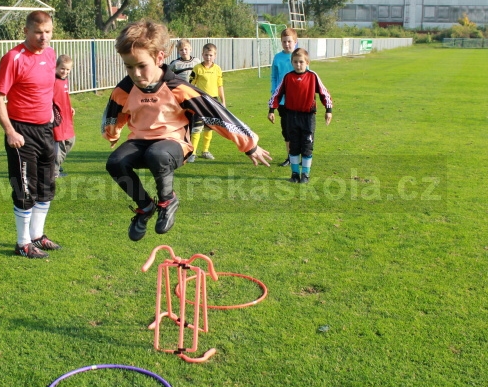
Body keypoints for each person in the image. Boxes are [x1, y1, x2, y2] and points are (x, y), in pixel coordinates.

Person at [103, 20, 272, 241]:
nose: (135, 73)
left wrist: (249, 145)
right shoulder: (124, 89)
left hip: (173, 144)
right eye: (129, 66)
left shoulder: (178, 88)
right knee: (114, 162)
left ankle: (167, 200)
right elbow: (114, 113)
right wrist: (113, 133)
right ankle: (145, 207)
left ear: (159, 57)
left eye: (141, 65)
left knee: (158, 154)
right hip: (139, 141)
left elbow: (216, 114)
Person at [0, 10, 62, 259]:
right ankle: (22, 243)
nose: (44, 37)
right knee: (25, 188)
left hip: (45, 130)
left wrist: (52, 110)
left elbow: (46, 87)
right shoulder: (13, 58)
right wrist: (10, 131)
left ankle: (37, 236)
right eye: (39, 32)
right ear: (26, 31)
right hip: (21, 132)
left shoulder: (51, 54)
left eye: (48, 32)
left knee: (46, 184)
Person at [267, 48, 333, 185]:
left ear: (307, 62)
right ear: (292, 62)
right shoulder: (287, 77)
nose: (298, 65)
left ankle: (306, 174)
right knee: (294, 146)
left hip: (308, 117)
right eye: (295, 62)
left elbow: (324, 93)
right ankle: (295, 174)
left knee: (307, 146)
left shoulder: (313, 76)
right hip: (292, 116)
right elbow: (277, 94)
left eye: (301, 62)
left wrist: (328, 109)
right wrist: (271, 110)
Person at [190, 43, 225, 161]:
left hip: (213, 101)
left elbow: (220, 86)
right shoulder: (197, 68)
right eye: (206, 55)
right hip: (200, 101)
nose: (208, 57)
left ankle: (205, 151)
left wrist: (223, 101)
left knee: (209, 127)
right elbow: (190, 85)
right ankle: (192, 153)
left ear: (215, 55)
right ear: (202, 54)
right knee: (196, 127)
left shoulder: (217, 69)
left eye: (210, 55)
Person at [270, 28, 298, 167]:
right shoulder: (277, 57)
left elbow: (306, 76)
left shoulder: (299, 57)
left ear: (295, 41)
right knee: (286, 130)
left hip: (298, 101)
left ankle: (301, 155)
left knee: (298, 129)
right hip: (282, 101)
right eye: (284, 41)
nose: (287, 44)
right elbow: (274, 76)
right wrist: (274, 92)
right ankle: (290, 157)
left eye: (289, 41)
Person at [52, 55, 75, 178]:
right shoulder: (52, 81)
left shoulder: (64, 80)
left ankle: (54, 165)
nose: (65, 72)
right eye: (62, 68)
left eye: (68, 69)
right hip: (58, 118)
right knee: (59, 145)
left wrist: (69, 107)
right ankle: (54, 172)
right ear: (56, 67)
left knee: (70, 141)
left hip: (67, 116)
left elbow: (63, 96)